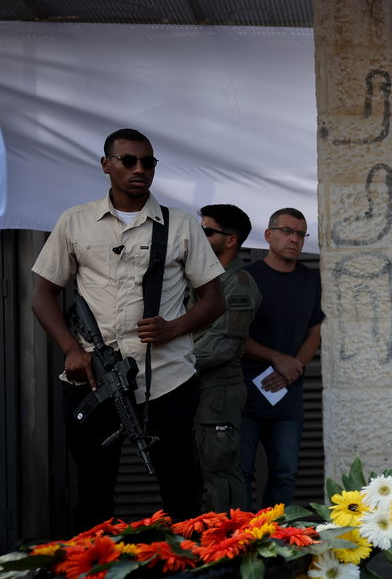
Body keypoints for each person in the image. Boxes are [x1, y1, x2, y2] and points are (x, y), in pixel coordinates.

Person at [31, 128, 225, 532]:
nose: (140, 169)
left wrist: (174, 327)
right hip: (92, 377)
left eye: (148, 162)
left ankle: (186, 577)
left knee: (179, 489)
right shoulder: (75, 221)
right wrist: (70, 348)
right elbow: (43, 295)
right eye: (128, 160)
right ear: (107, 165)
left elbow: (213, 299)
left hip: (168, 378)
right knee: (93, 489)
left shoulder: (181, 224)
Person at [241, 208, 324, 509]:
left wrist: (292, 369)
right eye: (287, 231)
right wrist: (277, 358)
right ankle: (242, 543)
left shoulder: (311, 280)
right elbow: (234, 336)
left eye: (300, 234)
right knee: (241, 472)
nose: (294, 238)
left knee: (285, 473)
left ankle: (276, 540)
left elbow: (314, 332)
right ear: (268, 235)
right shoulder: (246, 278)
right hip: (245, 394)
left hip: (287, 393)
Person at [194, 204, 261, 512]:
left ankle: (230, 544)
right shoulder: (204, 278)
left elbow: (222, 345)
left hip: (219, 389)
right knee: (200, 472)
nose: (199, 234)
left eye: (207, 231)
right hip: (195, 385)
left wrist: (175, 365)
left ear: (231, 239)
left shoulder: (239, 285)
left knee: (220, 473)